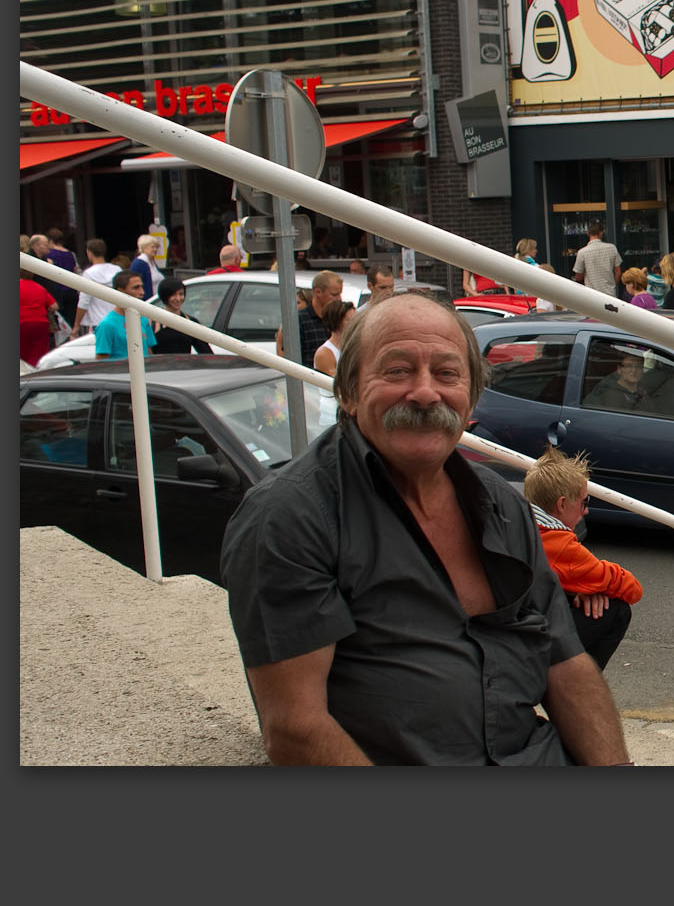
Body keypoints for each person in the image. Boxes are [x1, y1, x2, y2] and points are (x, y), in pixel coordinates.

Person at [220, 294, 630, 765]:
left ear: (471, 397)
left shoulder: (501, 505)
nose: (425, 392)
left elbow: (566, 664)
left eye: (447, 373)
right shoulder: (291, 517)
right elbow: (295, 729)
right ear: (349, 391)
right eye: (397, 370)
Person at [522, 448, 644, 671]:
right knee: (617, 610)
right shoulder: (560, 545)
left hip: (507, 627)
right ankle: (579, 691)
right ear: (561, 504)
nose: (585, 511)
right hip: (527, 644)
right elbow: (632, 589)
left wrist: (581, 587)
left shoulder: (518, 523)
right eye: (584, 502)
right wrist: (591, 585)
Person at [276, 270, 341, 369]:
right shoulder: (298, 321)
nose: (339, 299)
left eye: (340, 294)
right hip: (308, 381)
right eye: (334, 295)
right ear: (318, 292)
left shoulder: (339, 319)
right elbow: (290, 361)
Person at [93, 271, 156, 360]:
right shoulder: (106, 325)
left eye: (142, 287)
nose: (142, 292)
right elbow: (101, 361)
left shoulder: (144, 320)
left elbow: (149, 352)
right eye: (136, 288)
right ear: (120, 291)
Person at [152, 276, 214, 355]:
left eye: (181, 294)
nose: (178, 299)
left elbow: (206, 353)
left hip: (185, 366)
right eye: (173, 295)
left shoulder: (191, 322)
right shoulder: (153, 323)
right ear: (164, 296)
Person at [76, 238, 121, 334]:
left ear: (89, 253)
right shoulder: (117, 270)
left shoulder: (88, 273)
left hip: (98, 322)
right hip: (118, 319)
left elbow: (83, 302)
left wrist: (76, 326)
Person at [570, 221, 623, 298]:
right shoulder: (611, 248)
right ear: (601, 233)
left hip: (591, 295)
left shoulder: (582, 252)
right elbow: (618, 271)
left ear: (588, 234)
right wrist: (613, 285)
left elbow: (578, 276)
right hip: (609, 293)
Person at [19, 276, 59, 367]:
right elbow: (54, 306)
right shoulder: (39, 287)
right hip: (40, 324)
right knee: (39, 354)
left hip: (22, 323)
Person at [312, 299, 356, 376]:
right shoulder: (324, 354)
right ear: (337, 322)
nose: (355, 323)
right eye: (349, 320)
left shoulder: (356, 348)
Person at [129, 234, 164, 298]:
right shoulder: (138, 264)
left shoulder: (152, 263)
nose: (155, 249)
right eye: (152, 247)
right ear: (144, 248)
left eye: (156, 247)